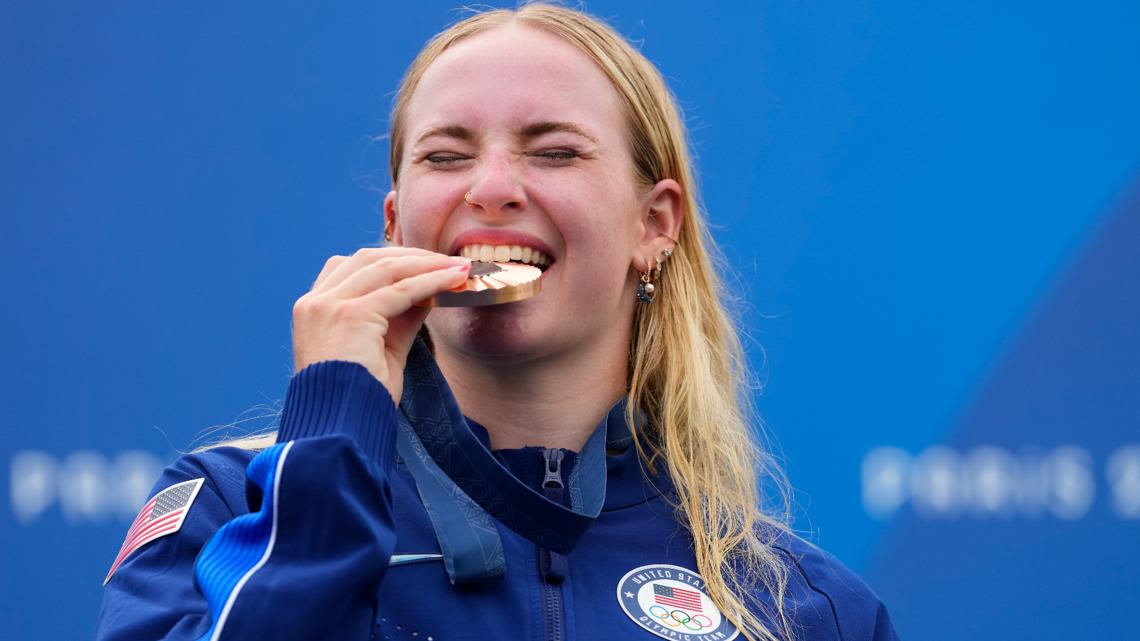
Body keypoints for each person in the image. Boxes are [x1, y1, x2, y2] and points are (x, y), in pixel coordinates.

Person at [95, 4, 899, 641]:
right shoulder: (224, 510)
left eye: (553, 152)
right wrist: (330, 443)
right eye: (445, 157)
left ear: (653, 225)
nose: (492, 186)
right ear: (396, 226)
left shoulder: (800, 606)